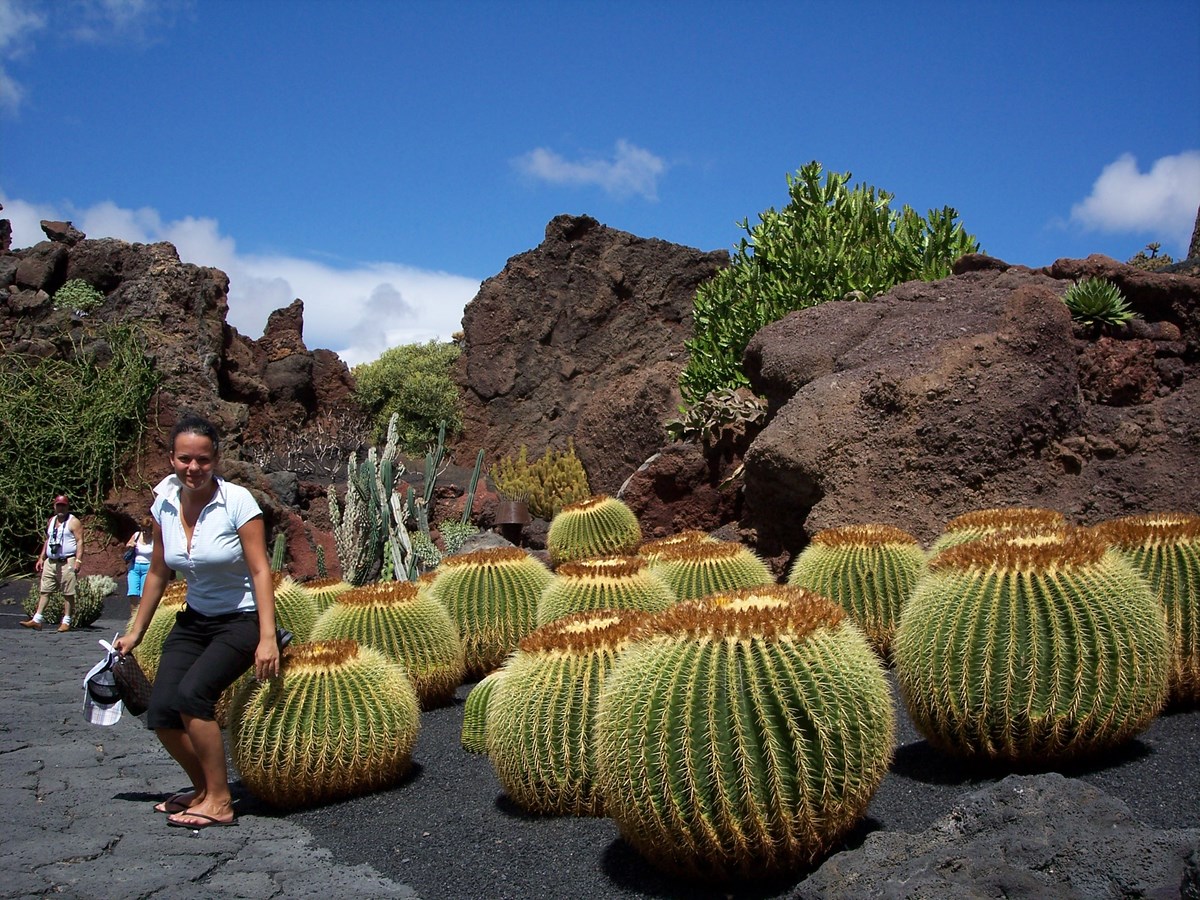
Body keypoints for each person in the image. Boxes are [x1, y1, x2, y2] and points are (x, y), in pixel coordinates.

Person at [113, 415, 279, 830]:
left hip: (241, 619)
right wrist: (135, 632)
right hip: (195, 621)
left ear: (215, 459)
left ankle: (220, 802)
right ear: (172, 458)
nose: (193, 468)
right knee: (162, 710)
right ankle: (203, 789)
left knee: (193, 697)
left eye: (203, 459)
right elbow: (157, 571)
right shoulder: (164, 503)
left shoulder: (238, 502)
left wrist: (267, 637)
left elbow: (261, 570)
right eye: (185, 459)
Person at [22, 495, 84, 632]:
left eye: (63, 505)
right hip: (51, 561)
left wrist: (78, 560)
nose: (61, 508)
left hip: (67, 560)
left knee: (68, 592)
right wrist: (41, 558)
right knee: (45, 590)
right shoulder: (51, 521)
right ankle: (37, 619)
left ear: (67, 507)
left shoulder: (74, 522)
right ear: (54, 506)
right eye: (58, 505)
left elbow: (80, 541)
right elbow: (48, 539)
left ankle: (66, 621)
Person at [124, 518, 154, 616]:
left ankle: (142, 616)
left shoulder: (154, 539)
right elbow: (127, 545)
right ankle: (133, 616)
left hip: (147, 568)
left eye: (146, 530)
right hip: (135, 568)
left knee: (144, 595)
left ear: (151, 530)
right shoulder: (137, 535)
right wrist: (130, 545)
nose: (144, 532)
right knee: (133, 593)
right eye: (143, 529)